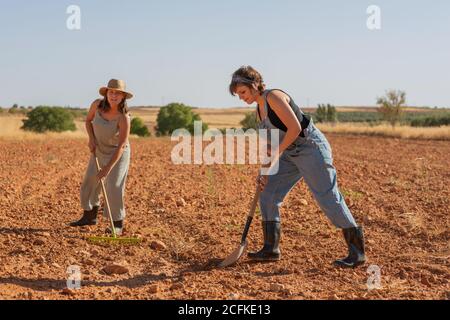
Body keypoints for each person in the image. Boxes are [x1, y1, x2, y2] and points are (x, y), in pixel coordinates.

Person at [229, 66, 366, 268]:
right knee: (267, 192)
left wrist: (276, 153)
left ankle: (357, 253)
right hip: (289, 153)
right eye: (237, 94)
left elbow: (295, 128)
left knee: (327, 196)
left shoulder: (274, 97)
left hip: (310, 148)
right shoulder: (259, 112)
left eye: (243, 92)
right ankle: (270, 249)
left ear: (255, 85)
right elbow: (271, 146)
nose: (241, 97)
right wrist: (264, 171)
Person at [70, 79, 132, 236]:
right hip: (99, 149)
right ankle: (89, 216)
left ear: (123, 96)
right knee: (90, 181)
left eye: (118, 93)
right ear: (106, 93)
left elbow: (122, 144)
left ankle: (117, 225)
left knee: (113, 187)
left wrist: (107, 168)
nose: (114, 95)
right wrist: (91, 139)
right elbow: (88, 121)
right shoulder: (97, 105)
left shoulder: (124, 117)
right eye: (111, 92)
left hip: (117, 153)